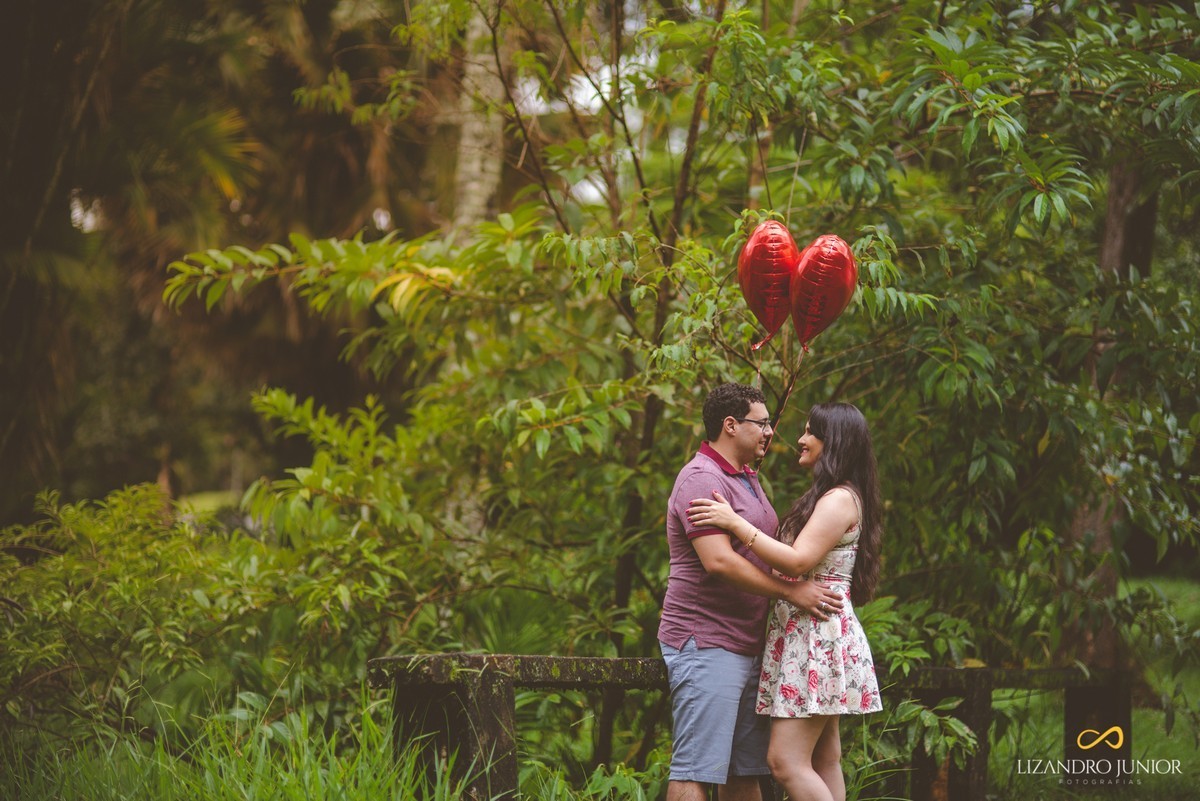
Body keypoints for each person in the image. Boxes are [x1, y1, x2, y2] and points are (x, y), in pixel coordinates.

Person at [658, 383, 846, 801]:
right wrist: (791, 592)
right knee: (694, 770)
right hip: (706, 642)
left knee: (743, 773)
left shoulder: (745, 478)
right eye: (761, 424)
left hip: (748, 645)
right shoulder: (701, 478)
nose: (769, 432)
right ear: (730, 425)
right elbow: (719, 562)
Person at [687, 402, 883, 801]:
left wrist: (733, 523)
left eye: (810, 432)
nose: (800, 439)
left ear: (834, 441)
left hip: (815, 632)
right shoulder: (833, 495)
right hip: (811, 631)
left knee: (784, 761)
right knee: (825, 759)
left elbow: (799, 560)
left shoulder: (839, 500)